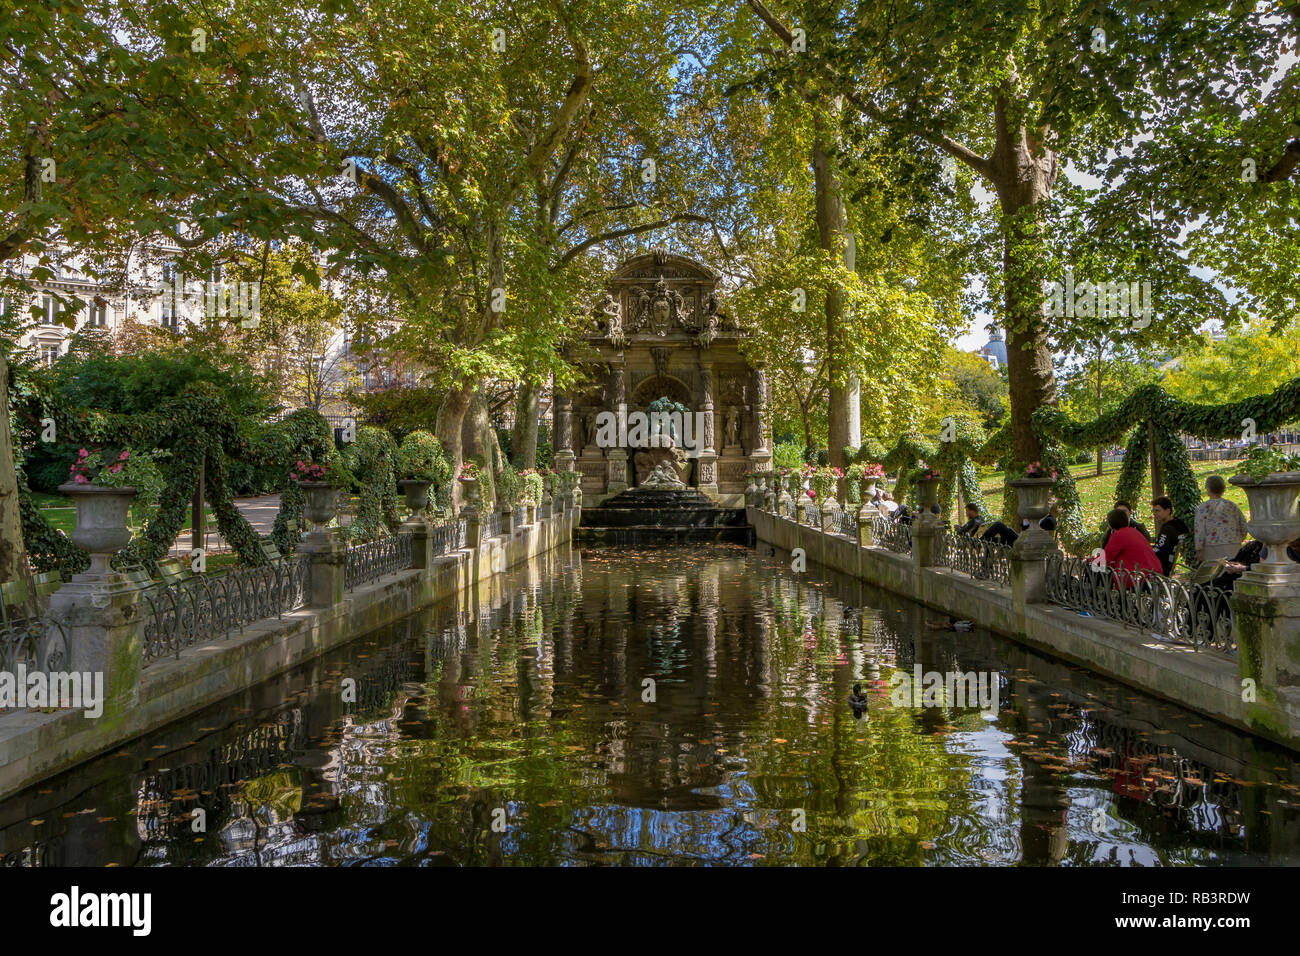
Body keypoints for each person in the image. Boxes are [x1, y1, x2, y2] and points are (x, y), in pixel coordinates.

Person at [1194, 474, 1248, 563]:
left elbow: (1199, 530)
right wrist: (1238, 538)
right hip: (1233, 545)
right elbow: (1243, 524)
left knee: (1215, 573)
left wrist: (1199, 549)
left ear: (1208, 489)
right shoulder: (1232, 506)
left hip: (1212, 547)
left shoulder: (1202, 508)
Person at [1102, 507, 1162, 584]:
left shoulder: (1118, 535)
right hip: (1153, 572)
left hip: (1137, 576)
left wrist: (1091, 561)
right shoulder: (1134, 531)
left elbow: (1106, 557)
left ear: (1110, 524)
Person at [1150, 496, 1189, 576]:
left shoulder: (1168, 529)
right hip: (1168, 563)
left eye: (1157, 511)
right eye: (1153, 511)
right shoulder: (1177, 525)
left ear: (1168, 511)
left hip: (1162, 566)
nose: (1155, 514)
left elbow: (1159, 549)